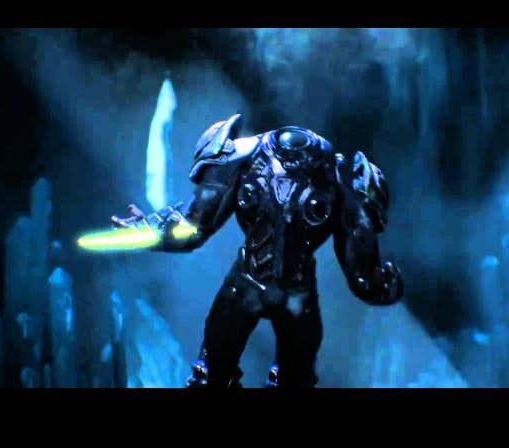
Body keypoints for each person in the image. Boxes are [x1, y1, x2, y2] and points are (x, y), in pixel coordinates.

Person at [111, 114, 403, 388]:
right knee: (214, 376)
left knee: (259, 378)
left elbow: (364, 274)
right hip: (266, 291)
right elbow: (366, 279)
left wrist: (145, 229)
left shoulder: (335, 178)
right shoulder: (248, 157)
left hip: (279, 293)